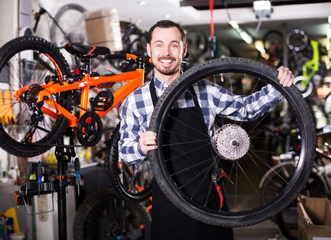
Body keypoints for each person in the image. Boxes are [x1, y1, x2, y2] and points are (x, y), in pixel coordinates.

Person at [118, 20, 294, 240]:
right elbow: (125, 152)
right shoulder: (135, 101)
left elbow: (245, 109)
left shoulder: (206, 91)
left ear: (184, 49)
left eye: (174, 45)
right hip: (168, 205)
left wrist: (278, 86)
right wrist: (140, 147)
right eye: (159, 45)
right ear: (149, 50)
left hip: (210, 202)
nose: (166, 52)